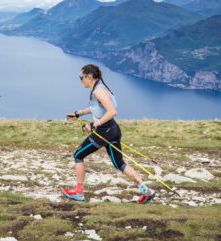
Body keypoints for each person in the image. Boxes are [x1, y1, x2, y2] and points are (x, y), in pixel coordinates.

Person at [64, 64, 155, 204]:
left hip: (104, 131)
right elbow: (96, 108)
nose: (80, 80)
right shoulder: (99, 88)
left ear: (89, 77)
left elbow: (112, 111)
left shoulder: (98, 92)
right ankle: (145, 190)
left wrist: (94, 125)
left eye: (80, 77)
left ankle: (79, 191)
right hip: (113, 129)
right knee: (119, 164)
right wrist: (78, 114)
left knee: (78, 155)